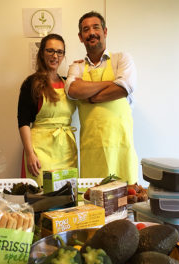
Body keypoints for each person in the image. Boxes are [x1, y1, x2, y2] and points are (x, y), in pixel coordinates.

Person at [65, 11, 138, 185]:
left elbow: (124, 87)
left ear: (105, 31)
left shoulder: (122, 58)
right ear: (81, 37)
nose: (91, 32)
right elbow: (73, 90)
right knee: (94, 203)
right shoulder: (77, 66)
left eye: (96, 27)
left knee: (125, 202)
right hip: (92, 150)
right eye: (86, 29)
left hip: (121, 147)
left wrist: (91, 97)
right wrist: (112, 83)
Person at [17, 33, 78, 187]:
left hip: (66, 150)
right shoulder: (31, 83)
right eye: (50, 51)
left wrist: (81, 70)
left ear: (63, 55)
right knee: (41, 198)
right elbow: (23, 121)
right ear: (42, 53)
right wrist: (30, 153)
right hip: (40, 151)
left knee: (66, 198)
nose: (55, 56)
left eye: (59, 52)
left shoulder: (68, 84)